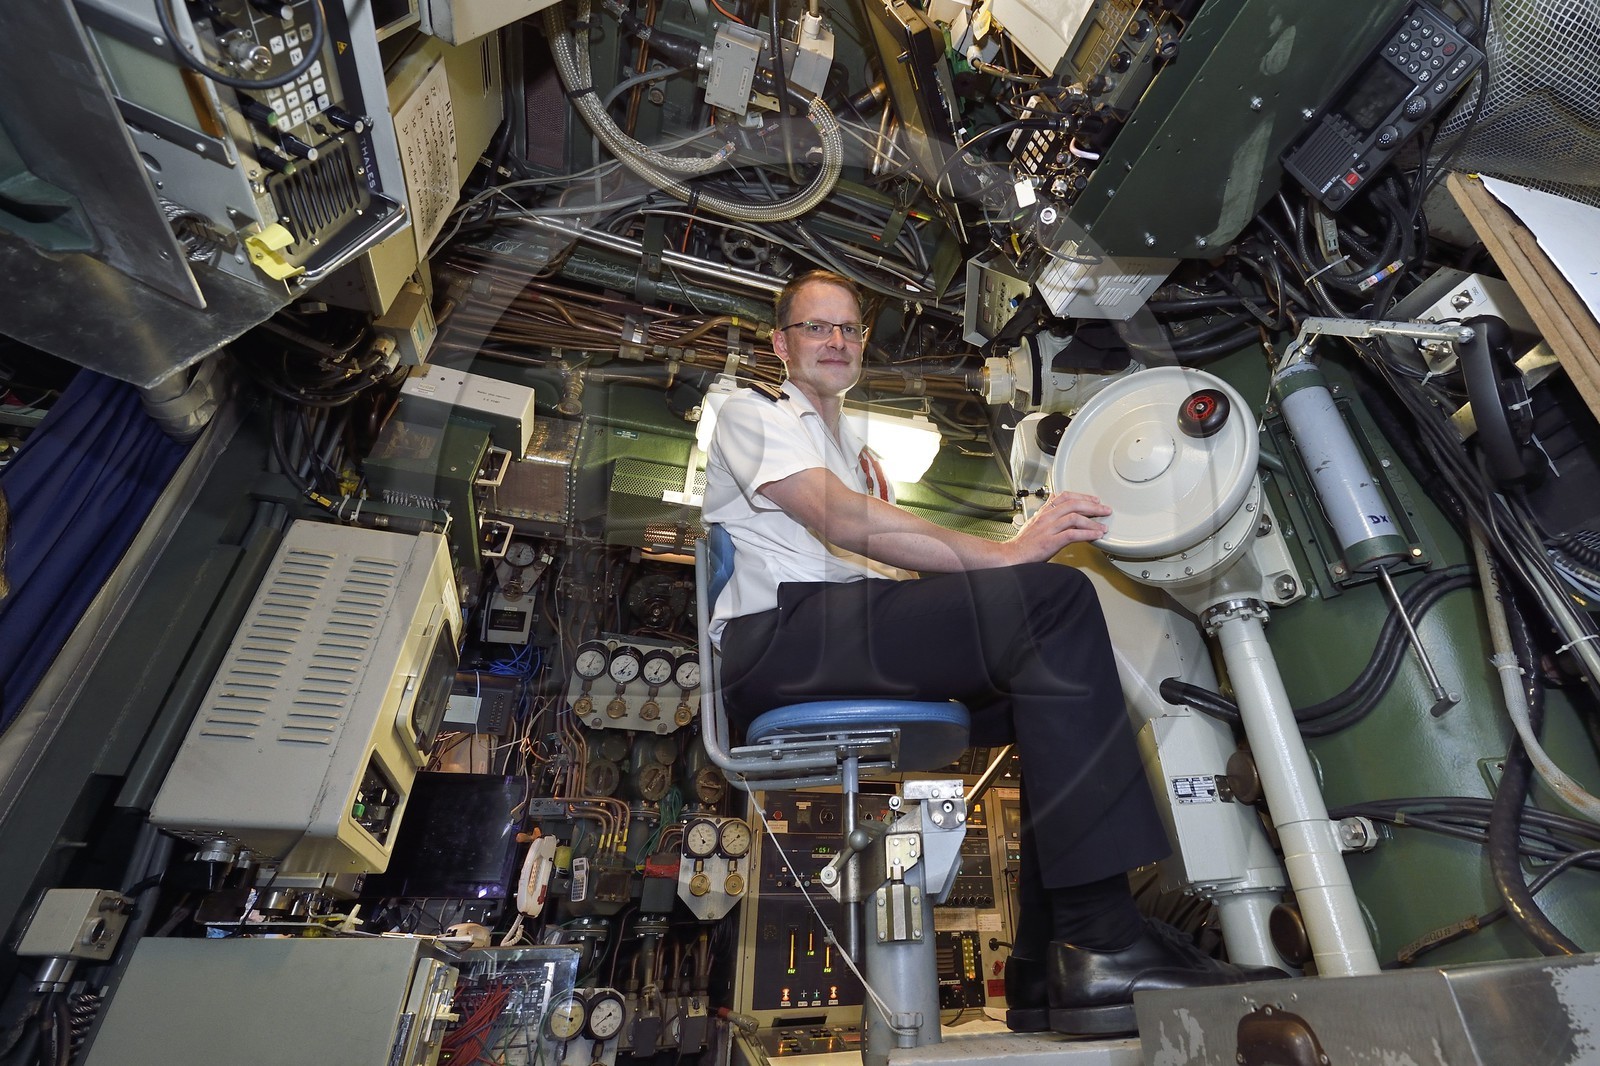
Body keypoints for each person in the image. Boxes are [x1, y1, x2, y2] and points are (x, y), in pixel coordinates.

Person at [702, 270, 1280, 1036]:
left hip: (835, 627)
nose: (835, 342)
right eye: (816, 328)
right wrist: (1010, 555)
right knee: (1051, 604)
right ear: (782, 343)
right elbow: (839, 520)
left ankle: (1050, 958)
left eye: (848, 329)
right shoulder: (751, 409)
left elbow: (885, 551)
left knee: (1049, 692)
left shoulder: (851, 448)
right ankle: (1104, 938)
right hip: (781, 636)